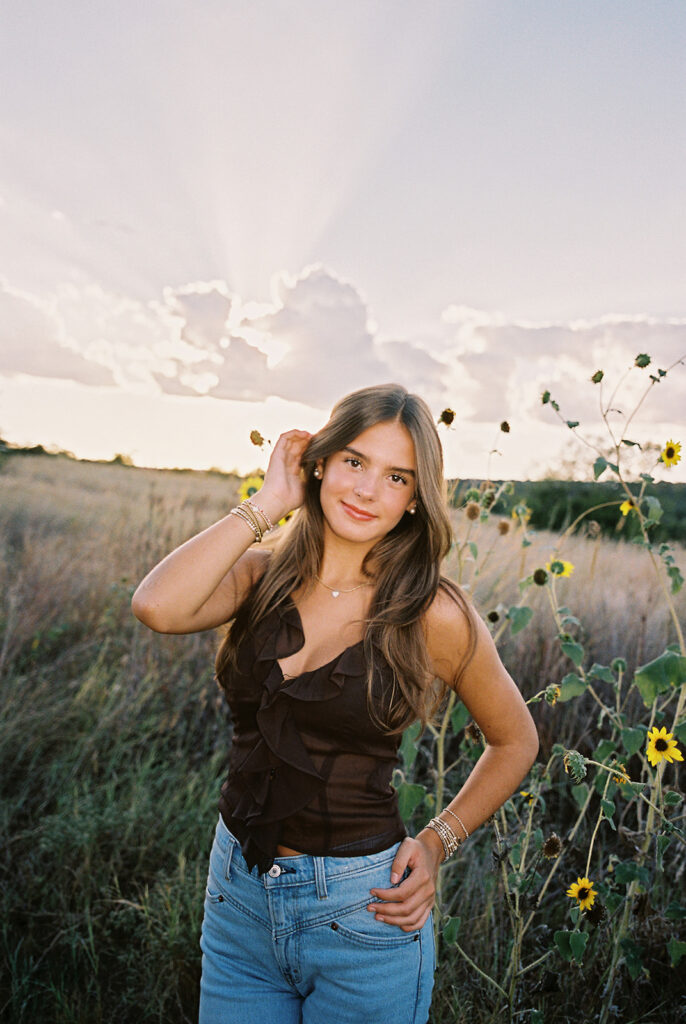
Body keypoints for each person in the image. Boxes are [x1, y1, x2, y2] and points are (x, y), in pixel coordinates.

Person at [132, 383, 538, 1024]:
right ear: (319, 461)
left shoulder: (432, 612)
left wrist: (437, 842)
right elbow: (156, 606)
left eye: (397, 476)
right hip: (238, 898)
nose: (367, 490)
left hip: (363, 913)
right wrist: (268, 503)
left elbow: (516, 740)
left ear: (414, 499)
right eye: (354, 460)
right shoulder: (259, 577)